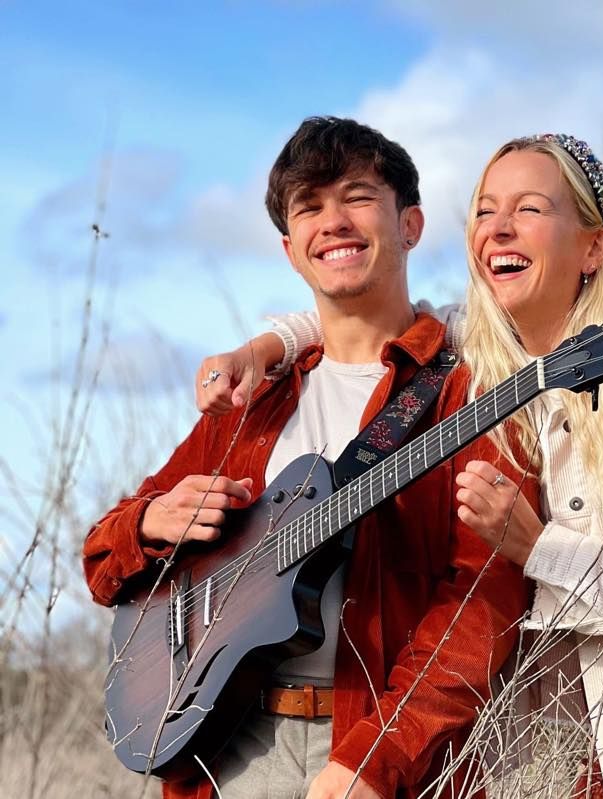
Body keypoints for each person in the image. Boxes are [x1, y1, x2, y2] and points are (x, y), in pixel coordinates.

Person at [203, 132, 603, 798]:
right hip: (595, 771)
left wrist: (538, 548)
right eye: (485, 210)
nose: (499, 228)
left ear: (593, 247)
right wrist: (270, 344)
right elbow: (378, 314)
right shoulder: (500, 372)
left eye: (530, 209)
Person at [82, 117, 530, 799]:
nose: (335, 222)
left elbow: (483, 601)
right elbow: (102, 561)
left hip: (373, 754)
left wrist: (377, 756)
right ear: (292, 250)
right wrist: (147, 522)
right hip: (221, 755)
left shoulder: (472, 390)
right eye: (310, 206)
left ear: (410, 225)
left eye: (356, 196)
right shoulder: (254, 398)